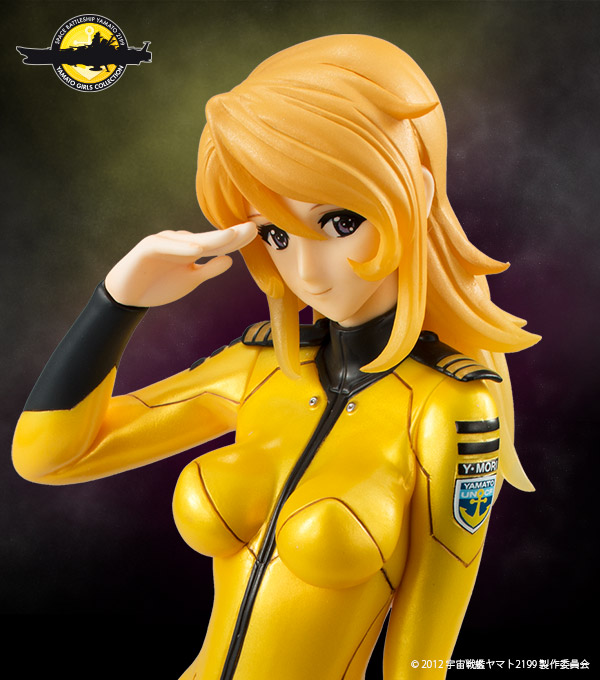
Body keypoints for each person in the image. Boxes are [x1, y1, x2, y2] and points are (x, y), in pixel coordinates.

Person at [12, 34, 539, 679]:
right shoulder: (260, 368)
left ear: (416, 195)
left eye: (341, 222)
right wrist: (118, 301)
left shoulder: (450, 406)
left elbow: (423, 651)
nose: (307, 272)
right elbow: (49, 457)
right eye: (276, 234)